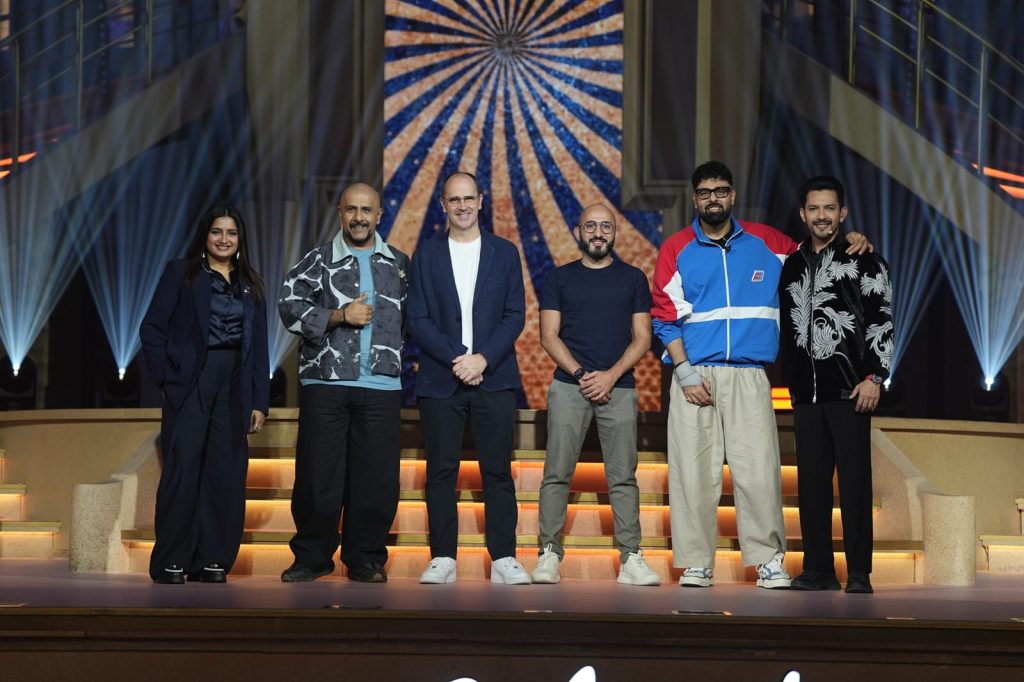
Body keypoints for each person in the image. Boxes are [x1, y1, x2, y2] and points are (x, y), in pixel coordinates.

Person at [651, 160, 871, 589]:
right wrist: (685, 372)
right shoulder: (676, 248)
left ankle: (768, 560)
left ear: (732, 195)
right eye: (705, 192)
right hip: (695, 376)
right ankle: (696, 562)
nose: (713, 199)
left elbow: (817, 251)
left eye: (721, 190)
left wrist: (852, 239)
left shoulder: (769, 243)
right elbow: (663, 315)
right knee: (693, 474)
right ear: (695, 199)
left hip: (750, 375)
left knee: (759, 472)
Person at [277, 183, 409, 583]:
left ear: (379, 215)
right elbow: (289, 307)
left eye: (366, 210)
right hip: (326, 383)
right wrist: (339, 315)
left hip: (381, 387)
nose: (359, 217)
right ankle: (312, 558)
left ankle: (365, 558)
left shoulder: (400, 264)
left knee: (376, 482)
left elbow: (415, 319)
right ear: (340, 212)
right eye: (351, 209)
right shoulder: (317, 260)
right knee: (318, 476)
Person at [408, 171, 529, 585]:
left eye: (468, 198)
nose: (461, 206)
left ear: (481, 201)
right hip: (441, 380)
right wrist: (458, 358)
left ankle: (504, 558)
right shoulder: (426, 254)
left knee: (498, 471)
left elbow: (515, 315)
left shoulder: (505, 252)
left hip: (494, 378)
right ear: (443, 205)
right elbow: (417, 318)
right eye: (453, 199)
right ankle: (443, 557)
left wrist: (482, 359)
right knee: (441, 472)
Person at [531, 203, 661, 586]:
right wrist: (582, 374)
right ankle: (549, 554)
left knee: (623, 477)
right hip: (568, 386)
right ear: (578, 232)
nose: (598, 233)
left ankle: (631, 558)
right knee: (557, 473)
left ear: (615, 233)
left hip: (619, 388)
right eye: (591, 226)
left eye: (606, 226)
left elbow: (643, 337)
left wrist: (610, 376)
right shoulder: (559, 278)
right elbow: (548, 335)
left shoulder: (633, 278)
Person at [140, 205, 270, 584]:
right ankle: (171, 560)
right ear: (205, 235)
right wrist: (167, 377)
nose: (224, 239)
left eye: (231, 233)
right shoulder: (181, 273)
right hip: (192, 383)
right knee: (183, 470)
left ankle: (213, 559)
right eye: (217, 231)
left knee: (225, 473)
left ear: (240, 239)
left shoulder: (252, 284)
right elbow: (152, 329)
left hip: (234, 385)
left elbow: (259, 349)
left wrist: (259, 401)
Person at [779, 175, 893, 595]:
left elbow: (882, 319)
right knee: (811, 485)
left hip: (851, 390)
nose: (822, 215)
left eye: (829, 208)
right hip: (805, 395)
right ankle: (818, 569)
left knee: (855, 484)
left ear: (842, 213)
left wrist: (875, 376)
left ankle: (859, 571)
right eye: (814, 208)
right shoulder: (791, 264)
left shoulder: (865, 260)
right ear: (803, 214)